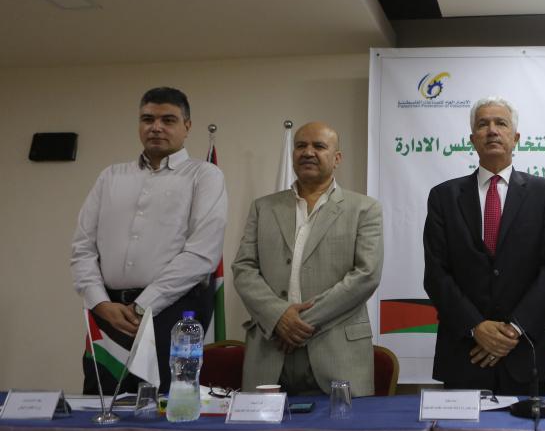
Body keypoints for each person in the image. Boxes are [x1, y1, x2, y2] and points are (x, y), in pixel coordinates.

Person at [71, 87, 227, 394]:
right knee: (101, 403)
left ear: (187, 126)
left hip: (174, 312)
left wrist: (142, 306)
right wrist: (100, 302)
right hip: (109, 313)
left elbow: (202, 255)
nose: (156, 127)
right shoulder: (111, 177)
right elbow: (82, 248)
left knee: (166, 406)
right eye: (148, 119)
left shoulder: (205, 176)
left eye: (168, 120)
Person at [423, 97, 545, 394]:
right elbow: (436, 274)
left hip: (526, 352)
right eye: (483, 124)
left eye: (500, 123)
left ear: (515, 138)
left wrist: (513, 329)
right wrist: (476, 327)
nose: (492, 130)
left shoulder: (543, 193)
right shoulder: (444, 197)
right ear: (472, 139)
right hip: (465, 354)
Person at [233, 121, 383, 396]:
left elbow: (366, 275)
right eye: (301, 145)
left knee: (342, 426)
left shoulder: (364, 208)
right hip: (271, 349)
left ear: (337, 158)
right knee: (264, 426)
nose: (308, 152)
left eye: (319, 146)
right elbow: (244, 268)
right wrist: (278, 317)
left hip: (337, 352)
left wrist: (297, 323)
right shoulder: (263, 207)